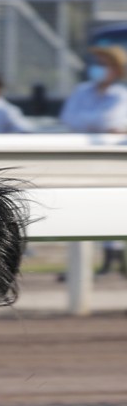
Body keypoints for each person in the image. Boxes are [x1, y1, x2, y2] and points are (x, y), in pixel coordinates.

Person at [60, 45, 127, 276]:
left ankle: (112, 259)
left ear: (116, 70)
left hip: (110, 162)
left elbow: (111, 119)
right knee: (78, 211)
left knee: (112, 208)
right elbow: (69, 118)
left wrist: (89, 122)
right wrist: (99, 124)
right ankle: (83, 269)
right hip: (80, 160)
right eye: (96, 63)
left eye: (104, 64)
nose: (97, 68)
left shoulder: (120, 96)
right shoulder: (81, 90)